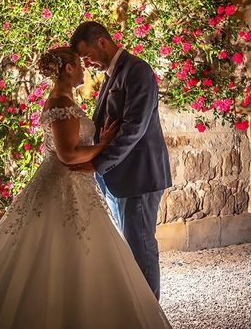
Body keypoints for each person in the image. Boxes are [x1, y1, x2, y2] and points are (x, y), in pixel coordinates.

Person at [0, 46, 172, 329]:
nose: (85, 68)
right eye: (80, 64)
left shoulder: (66, 100)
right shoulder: (60, 103)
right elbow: (68, 155)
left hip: (75, 186)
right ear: (68, 69)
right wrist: (104, 144)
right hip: (64, 183)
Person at [68, 21, 172, 300]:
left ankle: (150, 315)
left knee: (141, 248)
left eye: (87, 55)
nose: (87, 63)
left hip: (138, 176)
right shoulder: (113, 74)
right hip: (118, 179)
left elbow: (134, 129)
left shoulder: (137, 71)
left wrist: (98, 164)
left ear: (102, 42)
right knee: (129, 247)